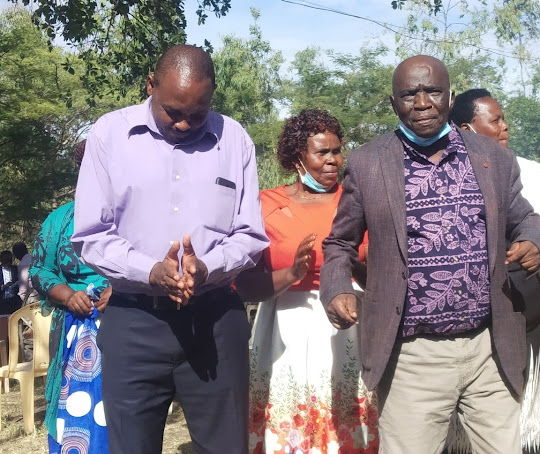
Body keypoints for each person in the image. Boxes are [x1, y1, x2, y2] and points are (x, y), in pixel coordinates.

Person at [320, 55, 540, 453]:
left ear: (450, 97)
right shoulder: (368, 163)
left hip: (489, 349)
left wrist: (533, 243)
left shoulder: (493, 158)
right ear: (394, 103)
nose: (422, 102)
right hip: (412, 358)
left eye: (433, 91)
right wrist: (337, 286)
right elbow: (340, 242)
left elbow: (525, 219)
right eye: (409, 94)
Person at [71, 45, 269, 454]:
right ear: (150, 85)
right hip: (134, 320)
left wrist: (208, 267)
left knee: (225, 447)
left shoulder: (234, 140)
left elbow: (250, 235)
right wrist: (149, 271)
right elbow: (91, 235)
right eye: (172, 111)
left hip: (215, 321)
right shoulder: (108, 135)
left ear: (212, 95)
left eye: (197, 114)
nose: (183, 124)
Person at [235, 109, 377, 453]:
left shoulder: (357, 201)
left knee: (344, 417)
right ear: (298, 156)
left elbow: (376, 271)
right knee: (289, 421)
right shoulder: (266, 205)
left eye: (337, 150)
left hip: (346, 320)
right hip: (285, 326)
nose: (333, 160)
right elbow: (244, 284)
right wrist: (292, 273)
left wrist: (355, 267)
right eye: (322, 152)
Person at [449, 88, 540, 454]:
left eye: (504, 118)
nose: (506, 126)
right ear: (467, 129)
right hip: (467, 321)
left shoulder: (531, 171)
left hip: (524, 314)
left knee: (517, 420)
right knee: (462, 430)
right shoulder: (442, 176)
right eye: (496, 120)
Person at [30, 139, 111, 453]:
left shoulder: (132, 216)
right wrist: (66, 294)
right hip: (70, 329)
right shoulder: (59, 220)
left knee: (122, 405)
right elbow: (39, 268)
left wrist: (119, 288)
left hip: (122, 324)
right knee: (69, 403)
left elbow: (150, 261)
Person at [0, 250, 21, 314]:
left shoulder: (15, 269)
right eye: (6, 261)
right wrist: (3, 286)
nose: (8, 263)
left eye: (10, 260)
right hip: (2, 299)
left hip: (14, 299)